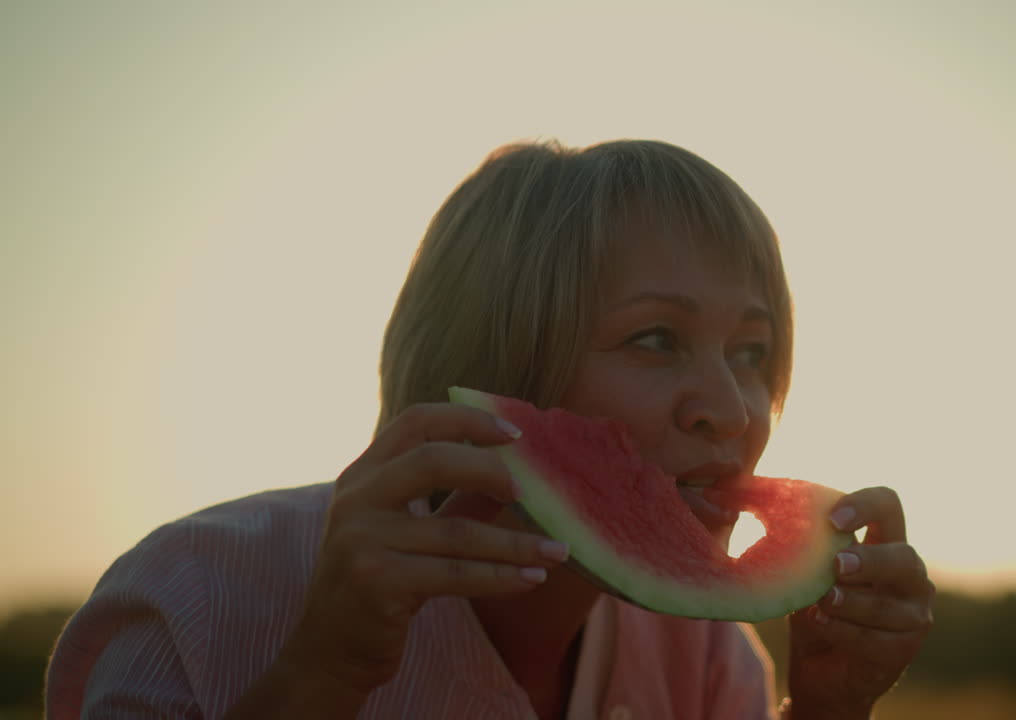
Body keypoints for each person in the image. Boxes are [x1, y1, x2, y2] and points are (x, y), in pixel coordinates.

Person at [46, 139, 934, 719]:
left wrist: (825, 710)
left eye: (752, 350)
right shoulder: (195, 595)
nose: (735, 411)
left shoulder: (706, 657)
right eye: (656, 337)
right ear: (498, 362)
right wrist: (323, 675)